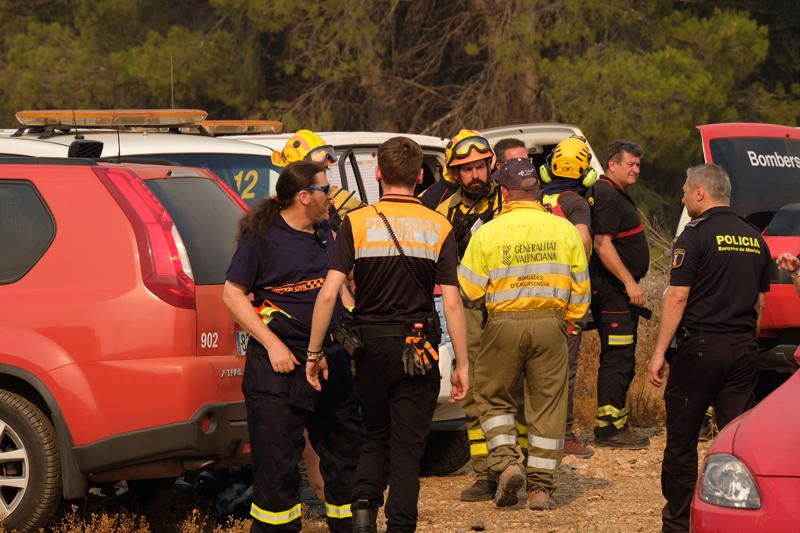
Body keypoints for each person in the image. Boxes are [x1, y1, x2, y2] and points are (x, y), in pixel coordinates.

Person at [305, 136, 469, 533]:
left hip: (370, 349)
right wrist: (463, 363)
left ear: (378, 173)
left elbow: (329, 293)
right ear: (419, 176)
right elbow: (451, 303)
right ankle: (400, 526)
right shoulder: (439, 226)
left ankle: (363, 516)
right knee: (407, 450)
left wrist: (313, 354)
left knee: (375, 436)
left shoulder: (357, 223)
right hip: (419, 348)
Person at [222, 161, 362, 532]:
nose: (331, 198)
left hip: (328, 359)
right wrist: (271, 345)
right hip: (279, 366)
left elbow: (332, 290)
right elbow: (232, 294)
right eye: (325, 191)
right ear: (304, 196)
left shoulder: (325, 231)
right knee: (277, 471)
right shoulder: (262, 236)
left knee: (346, 457)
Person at [459, 157, 590, 510]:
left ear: (504, 192)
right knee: (547, 405)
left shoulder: (488, 231)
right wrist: (569, 319)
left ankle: (505, 462)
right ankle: (541, 489)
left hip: (503, 323)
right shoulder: (564, 230)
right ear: (537, 191)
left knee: (491, 395)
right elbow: (581, 289)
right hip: (552, 324)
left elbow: (469, 289)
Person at [648, 163, 771, 533]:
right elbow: (759, 306)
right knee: (737, 440)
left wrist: (658, 353)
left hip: (700, 350)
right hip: (743, 351)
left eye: (686, 190)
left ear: (700, 192)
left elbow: (677, 298)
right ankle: (737, 518)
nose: (684, 196)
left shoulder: (694, 235)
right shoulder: (755, 237)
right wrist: (747, 342)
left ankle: (678, 521)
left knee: (682, 440)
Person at [433, 130, 507, 502]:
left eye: (480, 166)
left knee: (513, 391)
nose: (475, 175)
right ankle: (486, 472)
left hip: (507, 307)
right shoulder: (445, 212)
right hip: (468, 311)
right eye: (467, 169)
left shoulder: (509, 201)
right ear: (454, 174)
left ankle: (515, 466)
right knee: (473, 391)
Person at [538, 136, 597, 458]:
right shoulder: (575, 203)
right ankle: (564, 434)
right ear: (587, 174)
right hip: (565, 299)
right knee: (566, 369)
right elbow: (584, 241)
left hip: (534, 295)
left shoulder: (537, 199)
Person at [589, 139, 650, 449]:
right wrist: (629, 282)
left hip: (618, 293)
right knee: (617, 358)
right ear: (612, 164)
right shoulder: (608, 196)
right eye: (631, 164)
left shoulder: (615, 194)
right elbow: (602, 243)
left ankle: (616, 422)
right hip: (613, 292)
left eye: (638, 165)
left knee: (623, 358)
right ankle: (609, 428)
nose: (636, 169)